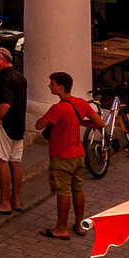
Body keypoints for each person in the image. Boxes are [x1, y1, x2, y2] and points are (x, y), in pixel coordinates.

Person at [37, 72, 99, 240]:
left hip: (61, 156)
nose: (50, 86)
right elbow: (100, 123)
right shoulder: (80, 103)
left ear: (61, 87)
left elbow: (39, 125)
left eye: (52, 84)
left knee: (63, 191)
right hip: (78, 153)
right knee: (78, 188)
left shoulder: (58, 108)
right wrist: (82, 122)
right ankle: (79, 225)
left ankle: (61, 228)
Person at [0, 44, 28, 215]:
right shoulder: (20, 76)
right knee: (15, 162)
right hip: (19, 126)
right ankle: (15, 199)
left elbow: (4, 103)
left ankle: (4, 202)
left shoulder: (4, 78)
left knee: (1, 160)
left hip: (5, 126)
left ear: (3, 60)